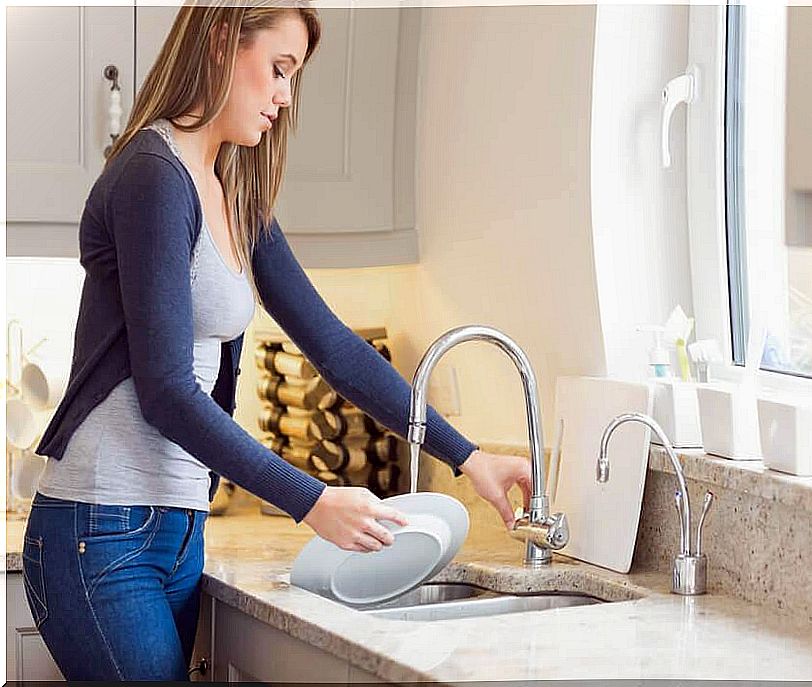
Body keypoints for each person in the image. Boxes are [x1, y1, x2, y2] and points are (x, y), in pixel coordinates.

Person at [22, 2, 532, 680]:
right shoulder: (152, 175)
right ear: (221, 40)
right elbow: (167, 392)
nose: (286, 97)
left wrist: (469, 457)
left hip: (176, 535)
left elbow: (336, 349)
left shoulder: (233, 192)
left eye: (294, 77)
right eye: (278, 69)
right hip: (102, 530)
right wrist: (314, 500)